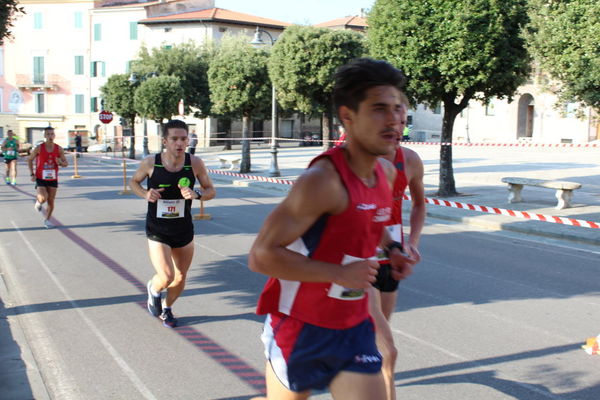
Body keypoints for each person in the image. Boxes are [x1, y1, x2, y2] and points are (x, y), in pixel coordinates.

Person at [248, 58, 417, 400]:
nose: (394, 120)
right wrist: (339, 273)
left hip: (354, 326)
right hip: (300, 327)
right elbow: (261, 257)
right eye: (380, 109)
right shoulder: (322, 181)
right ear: (348, 116)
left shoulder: (385, 173)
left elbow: (371, 221)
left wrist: (393, 250)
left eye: (398, 109)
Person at [130, 119, 216, 328]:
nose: (179, 143)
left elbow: (210, 191)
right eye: (174, 139)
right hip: (157, 228)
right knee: (166, 275)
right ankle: (154, 289)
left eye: (183, 139)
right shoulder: (151, 162)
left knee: (180, 276)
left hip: (183, 228)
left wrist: (196, 194)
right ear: (165, 141)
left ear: (188, 140)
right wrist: (145, 193)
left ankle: (167, 309)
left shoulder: (195, 163)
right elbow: (134, 182)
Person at [371, 96, 426, 400]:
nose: (396, 128)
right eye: (390, 121)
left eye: (403, 123)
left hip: (390, 257)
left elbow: (419, 203)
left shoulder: (411, 161)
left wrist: (412, 243)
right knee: (384, 348)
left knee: (381, 337)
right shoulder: (350, 161)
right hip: (356, 260)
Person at [27, 126, 68, 229]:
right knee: (43, 197)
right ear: (45, 136)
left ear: (54, 135)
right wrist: (32, 173)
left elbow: (66, 163)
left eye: (52, 134)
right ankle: (39, 201)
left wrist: (60, 163)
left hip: (53, 178)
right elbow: (30, 159)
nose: (50, 136)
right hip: (41, 177)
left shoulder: (59, 149)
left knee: (51, 200)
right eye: (48, 134)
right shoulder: (39, 148)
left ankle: (47, 220)